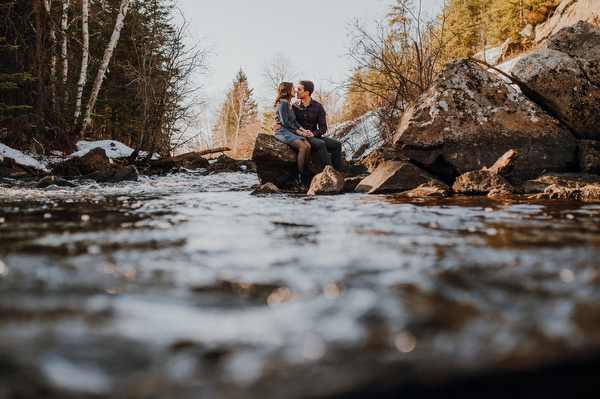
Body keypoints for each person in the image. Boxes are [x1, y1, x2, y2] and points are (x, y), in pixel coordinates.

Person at [274, 80, 342, 172]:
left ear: (306, 93)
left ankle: (338, 172)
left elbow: (323, 128)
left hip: (313, 135)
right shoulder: (294, 107)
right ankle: (331, 172)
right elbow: (285, 120)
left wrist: (313, 134)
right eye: (296, 89)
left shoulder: (318, 106)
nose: (296, 91)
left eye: (299, 89)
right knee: (320, 144)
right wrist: (274, 125)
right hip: (300, 135)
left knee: (336, 144)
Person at [273, 82, 312, 187]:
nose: (295, 91)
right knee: (302, 147)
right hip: (282, 131)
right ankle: (300, 176)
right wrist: (300, 133)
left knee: (308, 145)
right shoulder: (282, 103)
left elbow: (294, 122)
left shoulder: (288, 104)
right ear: (286, 90)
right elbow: (285, 123)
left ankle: (303, 173)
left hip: (289, 130)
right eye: (293, 88)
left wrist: (305, 130)